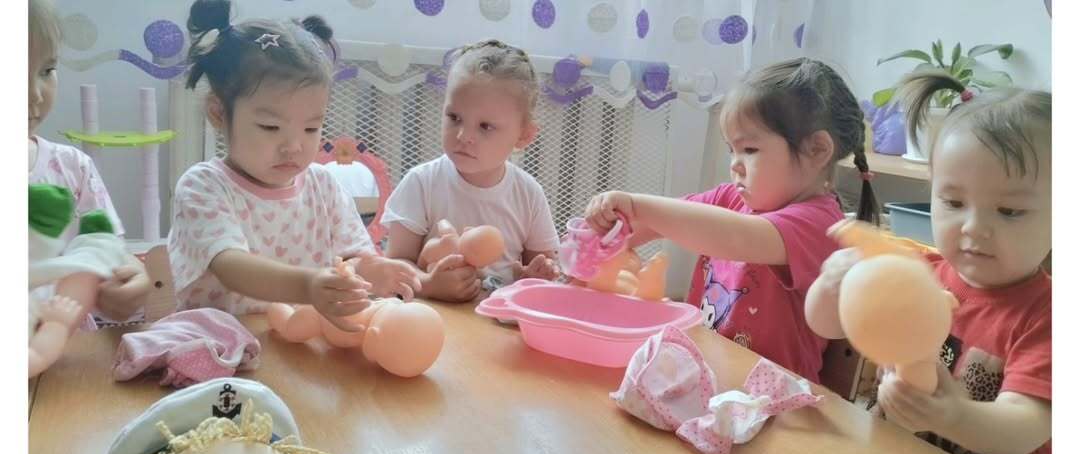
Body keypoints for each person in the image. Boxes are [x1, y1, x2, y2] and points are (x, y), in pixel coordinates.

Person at [806, 78, 1051, 454]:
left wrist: (953, 416)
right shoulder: (913, 272)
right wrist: (832, 285)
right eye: (954, 203)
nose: (973, 227)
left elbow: (1026, 427)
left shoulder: (1049, 316)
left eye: (1009, 210)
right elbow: (825, 326)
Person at [585, 58, 877, 380]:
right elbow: (655, 224)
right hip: (709, 373)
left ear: (817, 150)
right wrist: (605, 234)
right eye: (731, 150)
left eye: (749, 149)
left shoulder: (820, 224)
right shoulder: (731, 199)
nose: (735, 165)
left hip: (774, 393)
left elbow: (736, 238)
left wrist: (637, 205)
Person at [169, 0, 420, 323]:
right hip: (219, 341)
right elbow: (231, 266)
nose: (293, 146)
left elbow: (349, 259)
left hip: (301, 342)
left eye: (311, 128)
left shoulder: (324, 185)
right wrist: (308, 286)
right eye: (270, 127)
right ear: (219, 113)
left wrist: (369, 270)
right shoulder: (203, 186)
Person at [384, 39, 560, 300]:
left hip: (498, 320)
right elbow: (394, 265)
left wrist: (532, 279)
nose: (464, 136)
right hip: (435, 316)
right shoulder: (422, 182)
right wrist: (430, 284)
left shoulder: (528, 193)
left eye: (485, 126)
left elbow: (543, 266)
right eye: (454, 118)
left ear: (524, 135)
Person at [29, 0, 150, 324]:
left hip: (71, 349)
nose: (35, 95)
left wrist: (128, 279)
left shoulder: (72, 167)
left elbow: (109, 251)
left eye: (46, 71)